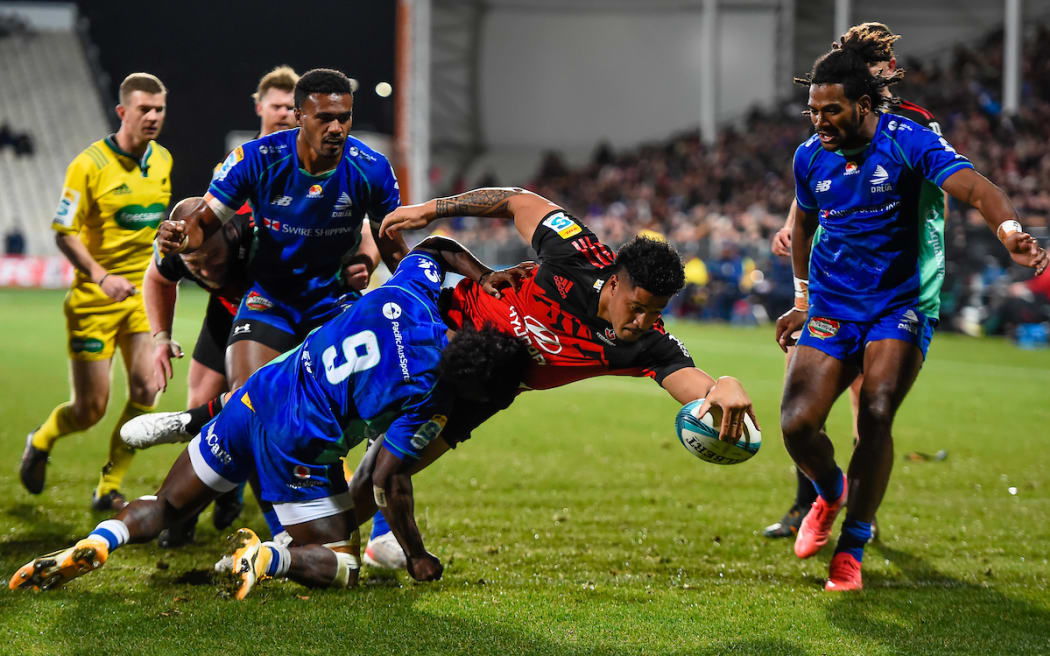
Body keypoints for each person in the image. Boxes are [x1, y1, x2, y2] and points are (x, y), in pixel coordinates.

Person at [9, 238, 529, 597]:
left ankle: (97, 542)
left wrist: (483, 276)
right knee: (344, 563)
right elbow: (386, 479)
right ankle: (270, 558)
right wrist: (416, 554)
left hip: (254, 398)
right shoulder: (430, 398)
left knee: (166, 505)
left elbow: (432, 248)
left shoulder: (408, 294)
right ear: (474, 385)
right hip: (296, 445)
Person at [357, 186, 759, 569]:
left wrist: (724, 385)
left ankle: (341, 538)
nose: (642, 322)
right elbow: (517, 200)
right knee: (341, 423)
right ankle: (320, 531)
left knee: (388, 473)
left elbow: (698, 389)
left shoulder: (648, 345)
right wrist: (430, 210)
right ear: (615, 282)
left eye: (655, 313)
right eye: (637, 308)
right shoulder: (575, 254)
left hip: (486, 391)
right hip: (442, 326)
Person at [777, 46, 1047, 591]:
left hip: (897, 304)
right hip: (832, 303)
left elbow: (977, 188)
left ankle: (851, 547)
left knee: (876, 410)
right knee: (797, 424)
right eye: (813, 110)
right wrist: (802, 299)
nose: (820, 121)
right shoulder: (809, 156)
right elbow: (804, 225)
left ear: (862, 105)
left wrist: (1009, 231)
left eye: (831, 110)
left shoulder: (906, 140)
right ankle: (831, 493)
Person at [123, 67, 404, 455]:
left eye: (345, 117)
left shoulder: (371, 167)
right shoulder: (255, 159)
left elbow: (388, 238)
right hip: (270, 299)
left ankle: (197, 425)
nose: (337, 128)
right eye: (325, 118)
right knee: (248, 402)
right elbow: (205, 220)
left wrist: (385, 272)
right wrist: (183, 235)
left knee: (371, 397)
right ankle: (203, 451)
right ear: (299, 115)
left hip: (333, 299)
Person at [763, 22, 947, 540]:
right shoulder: (828, 129)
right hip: (833, 282)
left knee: (870, 406)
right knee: (806, 403)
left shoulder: (911, 126)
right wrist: (788, 226)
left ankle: (859, 509)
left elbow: (940, 187)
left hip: (893, 285)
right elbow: (813, 189)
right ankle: (816, 500)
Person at [19, 73, 172, 510]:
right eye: (145, 109)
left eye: (159, 109)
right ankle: (43, 438)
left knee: (146, 389)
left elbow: (151, 223)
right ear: (123, 112)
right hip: (93, 301)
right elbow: (65, 233)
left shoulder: (162, 160)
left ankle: (109, 485)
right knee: (91, 409)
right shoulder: (88, 165)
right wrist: (101, 276)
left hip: (140, 297)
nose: (153, 117)